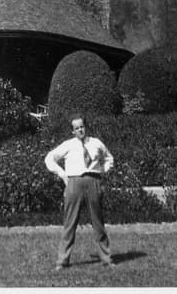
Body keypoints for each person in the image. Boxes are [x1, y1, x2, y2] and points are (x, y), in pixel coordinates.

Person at [45, 113, 115, 271]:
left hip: (93, 182)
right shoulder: (68, 145)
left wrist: (101, 171)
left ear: (86, 127)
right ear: (73, 131)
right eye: (76, 128)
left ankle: (107, 259)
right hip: (74, 183)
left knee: (98, 222)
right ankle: (62, 261)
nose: (80, 130)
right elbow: (50, 158)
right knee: (69, 223)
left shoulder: (96, 143)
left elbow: (109, 158)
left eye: (82, 127)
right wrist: (62, 174)